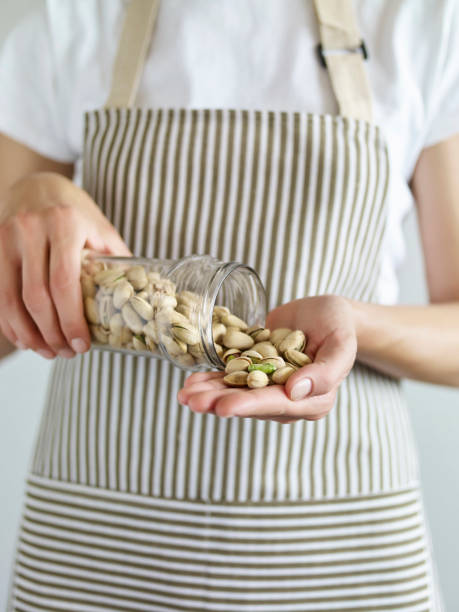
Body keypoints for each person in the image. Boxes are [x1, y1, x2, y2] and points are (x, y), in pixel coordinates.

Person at [1, 0, 458, 609]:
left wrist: (356, 326)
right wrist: (26, 205)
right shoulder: (69, 20)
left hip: (337, 554)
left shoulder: (421, 23)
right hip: (98, 550)